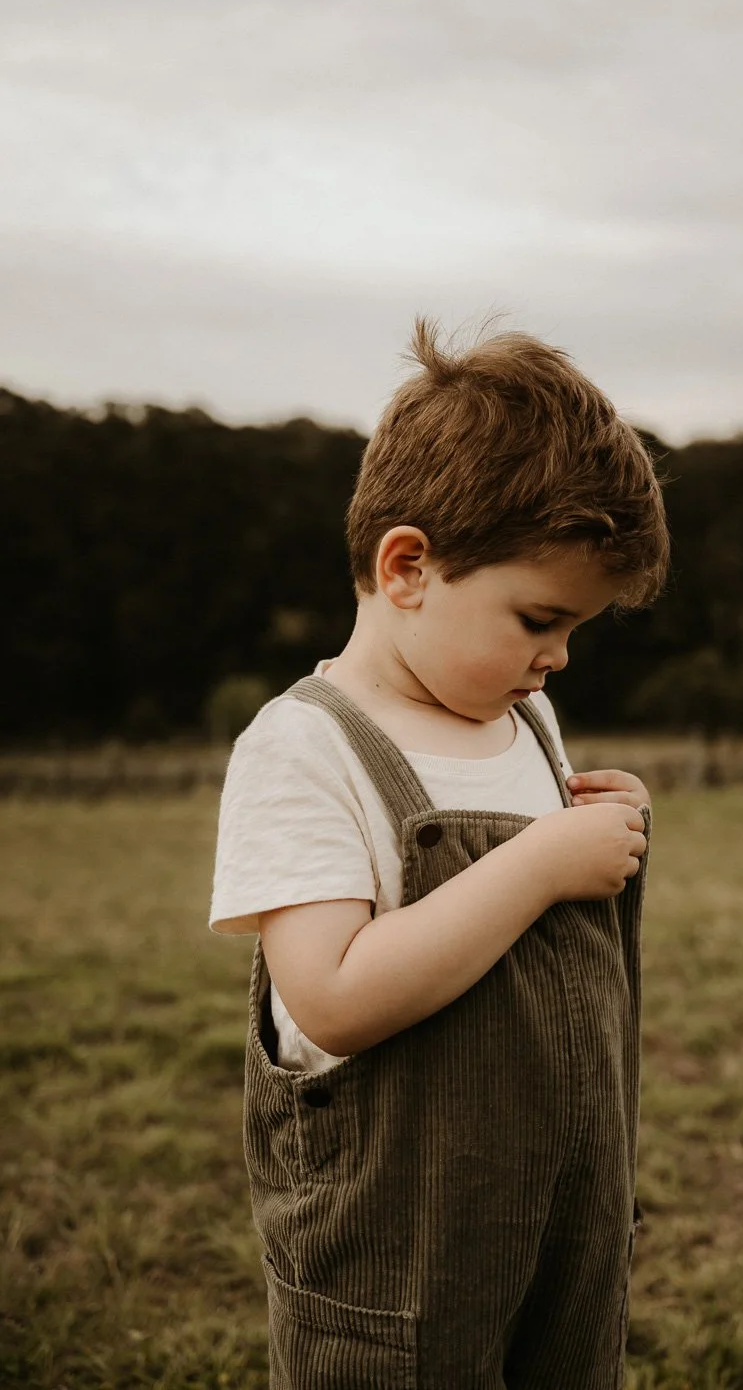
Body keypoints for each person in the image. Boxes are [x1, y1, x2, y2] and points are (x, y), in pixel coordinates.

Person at [210, 318, 670, 1389]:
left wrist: (608, 819)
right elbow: (330, 996)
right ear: (408, 566)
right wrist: (545, 861)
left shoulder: (527, 723)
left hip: (561, 1208)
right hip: (398, 1253)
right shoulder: (304, 746)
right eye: (538, 619)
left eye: (576, 631)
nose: (556, 658)